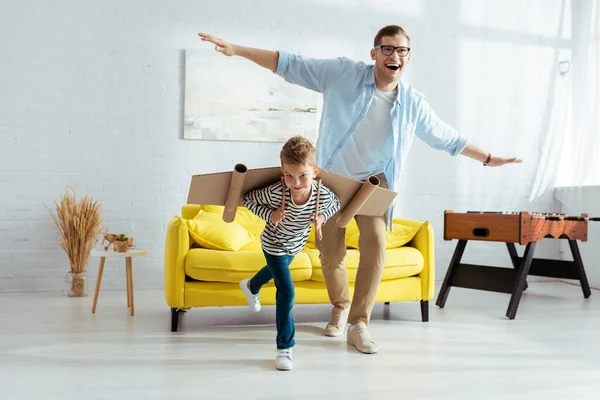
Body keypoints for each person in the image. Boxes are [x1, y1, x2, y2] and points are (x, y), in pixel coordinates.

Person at [199, 25, 522, 355]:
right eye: (387, 49)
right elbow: (291, 64)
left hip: (372, 185)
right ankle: (340, 307)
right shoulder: (342, 75)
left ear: (408, 57)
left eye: (402, 50)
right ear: (374, 53)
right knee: (331, 252)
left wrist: (489, 158)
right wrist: (237, 49)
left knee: (376, 242)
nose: (394, 56)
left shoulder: (412, 103)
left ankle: (359, 323)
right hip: (332, 183)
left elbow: (447, 138)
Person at [239, 136, 341, 371]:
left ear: (315, 171)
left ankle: (251, 285)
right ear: (282, 171)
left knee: (273, 274)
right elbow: (248, 199)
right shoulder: (276, 192)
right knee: (287, 291)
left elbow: (336, 203)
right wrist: (270, 215)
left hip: (295, 246)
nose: (296, 183)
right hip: (273, 245)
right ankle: (284, 347)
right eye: (289, 176)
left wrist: (322, 218)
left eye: (303, 175)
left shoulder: (321, 195)